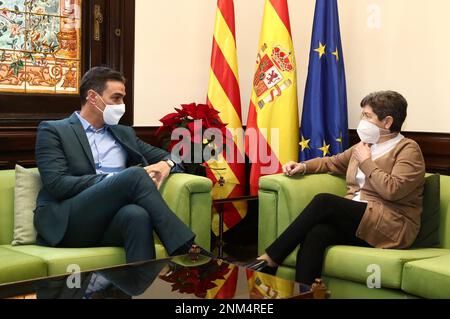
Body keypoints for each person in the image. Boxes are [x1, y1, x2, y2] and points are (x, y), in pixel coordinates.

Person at [34, 67, 211, 264]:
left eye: (123, 98)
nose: (122, 105)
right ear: (93, 97)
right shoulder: (53, 130)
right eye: (116, 98)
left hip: (110, 222)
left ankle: (138, 284)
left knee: (137, 215)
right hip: (70, 221)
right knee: (134, 175)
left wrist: (166, 164)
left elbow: (174, 156)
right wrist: (114, 180)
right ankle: (185, 247)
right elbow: (57, 184)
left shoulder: (124, 133)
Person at [248, 91, 426, 285]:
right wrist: (304, 166)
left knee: (324, 201)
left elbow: (393, 190)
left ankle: (271, 259)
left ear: (388, 122)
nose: (362, 121)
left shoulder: (408, 149)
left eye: (367, 116)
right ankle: (306, 294)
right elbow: (333, 162)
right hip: (362, 221)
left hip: (392, 225)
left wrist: (366, 162)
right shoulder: (364, 145)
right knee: (317, 233)